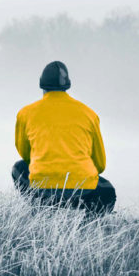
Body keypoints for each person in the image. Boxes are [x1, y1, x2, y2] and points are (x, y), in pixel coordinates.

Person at [12, 61, 116, 215]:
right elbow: (100, 165)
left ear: (42, 85)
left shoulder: (25, 113)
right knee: (107, 190)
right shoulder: (89, 114)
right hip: (82, 194)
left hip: (43, 192)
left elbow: (26, 154)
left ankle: (40, 211)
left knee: (19, 168)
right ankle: (88, 224)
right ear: (67, 85)